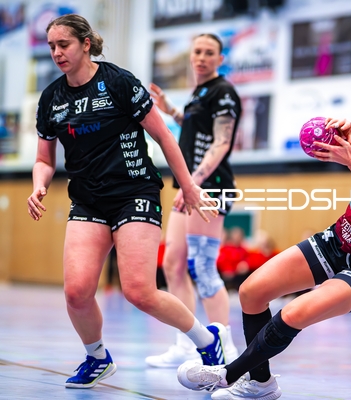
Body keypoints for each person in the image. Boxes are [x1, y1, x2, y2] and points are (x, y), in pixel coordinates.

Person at [177, 79, 351, 399]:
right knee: (251, 292)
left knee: (293, 314)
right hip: (339, 239)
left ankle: (227, 374)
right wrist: (341, 130)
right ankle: (261, 384)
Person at [27, 14, 228, 389]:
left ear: (86, 44)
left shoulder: (118, 82)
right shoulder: (51, 98)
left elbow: (165, 137)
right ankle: (97, 357)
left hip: (134, 192)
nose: (57, 53)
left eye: (64, 45)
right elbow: (44, 159)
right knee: (76, 292)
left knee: (139, 292)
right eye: (52, 46)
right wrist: (39, 185)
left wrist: (188, 187)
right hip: (88, 200)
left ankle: (207, 340)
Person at [144, 33, 242, 368]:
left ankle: (225, 346)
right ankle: (187, 344)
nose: (201, 57)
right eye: (197, 51)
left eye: (209, 52)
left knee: (201, 265)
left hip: (209, 187)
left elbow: (220, 142)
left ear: (220, 59)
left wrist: (193, 184)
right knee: (172, 263)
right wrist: (171, 110)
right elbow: (195, 128)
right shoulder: (199, 93)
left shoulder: (223, 91)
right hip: (190, 188)